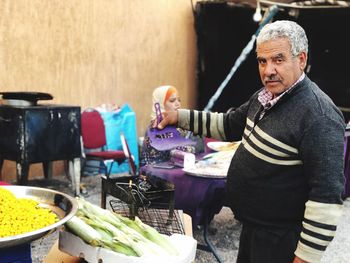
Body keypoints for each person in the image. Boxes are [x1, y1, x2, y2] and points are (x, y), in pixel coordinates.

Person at [156, 20, 346, 263]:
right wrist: (178, 117)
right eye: (262, 61)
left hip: (282, 240)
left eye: (278, 59)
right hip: (253, 231)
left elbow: (327, 196)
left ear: (301, 60)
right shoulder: (264, 97)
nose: (268, 70)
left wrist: (305, 258)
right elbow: (227, 125)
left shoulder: (319, 116)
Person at [140, 85, 203, 166]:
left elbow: (200, 145)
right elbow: (174, 150)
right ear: (160, 103)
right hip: (156, 174)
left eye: (179, 100)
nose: (178, 104)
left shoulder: (178, 122)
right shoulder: (156, 126)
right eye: (172, 100)